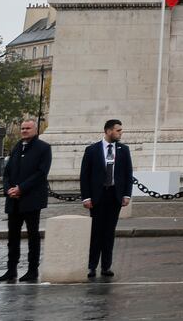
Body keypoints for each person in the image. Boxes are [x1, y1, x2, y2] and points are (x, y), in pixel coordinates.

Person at [79, 118, 133, 279]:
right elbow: (85, 176)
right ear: (108, 131)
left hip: (114, 195)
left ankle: (106, 266)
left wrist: (126, 194)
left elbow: (128, 174)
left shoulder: (124, 150)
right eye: (118, 130)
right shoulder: (92, 150)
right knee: (96, 233)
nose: (120, 133)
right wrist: (86, 197)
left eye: (121, 130)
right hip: (97, 196)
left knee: (109, 232)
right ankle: (91, 266)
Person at [0, 119, 51, 283]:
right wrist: (9, 189)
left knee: (32, 236)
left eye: (27, 128)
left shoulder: (44, 148)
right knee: (12, 237)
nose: (24, 131)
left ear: (35, 130)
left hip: (31, 200)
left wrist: (21, 188)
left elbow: (41, 173)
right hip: (13, 200)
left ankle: (32, 270)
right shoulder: (16, 147)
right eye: (22, 128)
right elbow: (6, 172)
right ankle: (11, 269)